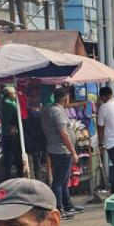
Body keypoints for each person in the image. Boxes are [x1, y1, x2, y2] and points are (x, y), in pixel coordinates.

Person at [41, 88, 79, 217]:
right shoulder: (57, 112)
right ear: (65, 98)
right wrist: (73, 151)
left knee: (63, 179)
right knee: (59, 180)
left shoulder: (49, 110)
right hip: (62, 150)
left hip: (56, 149)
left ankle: (67, 205)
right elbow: (63, 133)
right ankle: (59, 209)